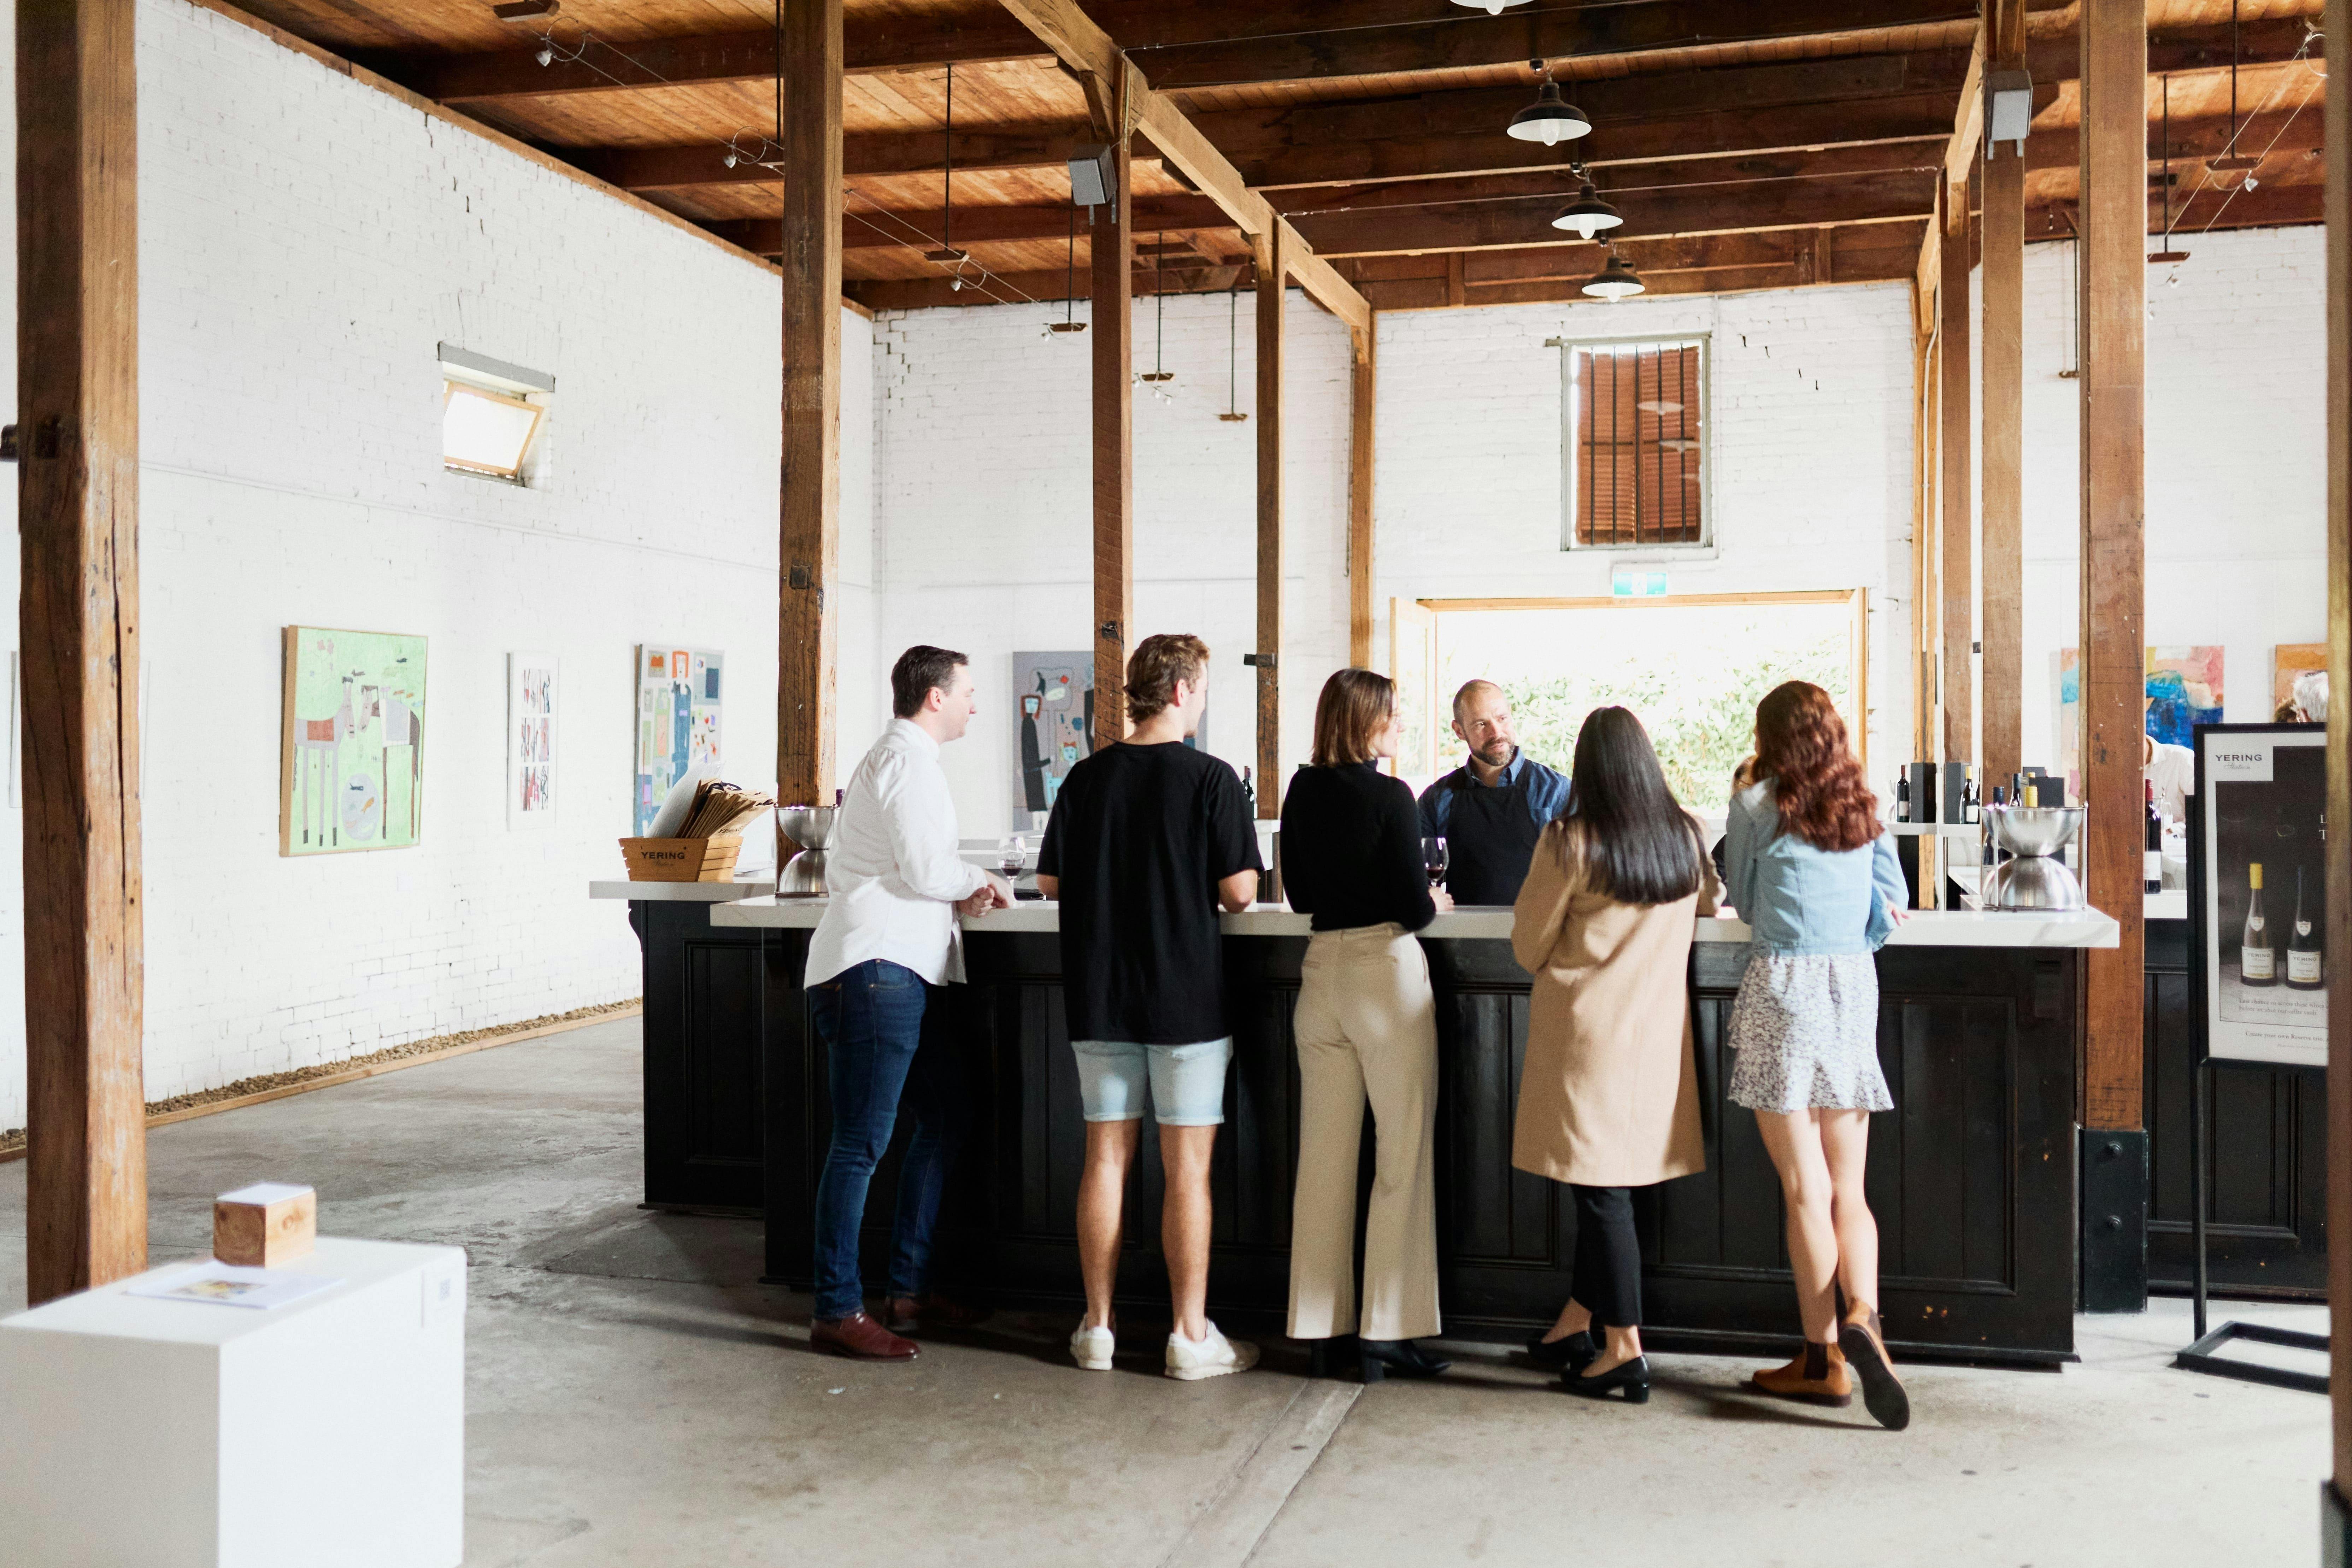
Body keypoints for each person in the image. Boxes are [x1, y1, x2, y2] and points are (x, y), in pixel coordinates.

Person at [1035, 633, 1263, 1380]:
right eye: (1200, 689)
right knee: (1186, 1172)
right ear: (1180, 692)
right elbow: (1239, 892)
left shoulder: (1085, 777)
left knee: (1104, 1157)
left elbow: (1050, 884)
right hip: (1185, 999)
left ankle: (1096, 1328)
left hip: (1100, 994)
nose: (1200, 701)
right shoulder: (1211, 778)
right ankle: (1188, 1336)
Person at [802, 646, 1014, 1360]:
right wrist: (978, 876)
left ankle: (909, 1290)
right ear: (934, 697)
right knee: (859, 1145)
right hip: (874, 974)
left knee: (946, 1114)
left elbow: (914, 870)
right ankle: (836, 1308)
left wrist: (963, 887)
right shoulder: (907, 763)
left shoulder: (903, 762)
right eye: (967, 693)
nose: (974, 705)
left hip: (891, 972)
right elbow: (927, 869)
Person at [1511, 707, 1720, 1404]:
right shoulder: (1685, 837)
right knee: (1610, 1182)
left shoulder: (1570, 839)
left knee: (1599, 1191)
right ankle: (1574, 1322)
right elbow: (1711, 907)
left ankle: (1625, 1346)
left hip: (1585, 1038)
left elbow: (1527, 944)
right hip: (1656, 1039)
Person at [1721, 681, 1911, 1431]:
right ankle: (1863, 1312)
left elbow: (1738, 896)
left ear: (1767, 736)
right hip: (1851, 989)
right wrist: (1854, 938)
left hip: (1781, 988)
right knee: (1848, 1190)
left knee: (1804, 1190)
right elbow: (1891, 897)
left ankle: (1822, 1359)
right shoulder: (1862, 803)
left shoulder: (1755, 806)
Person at [1279, 669, 1456, 1383]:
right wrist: (1433, 902)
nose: (1402, 727)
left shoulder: (1300, 790)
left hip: (1320, 974)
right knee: (1401, 1152)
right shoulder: (1392, 796)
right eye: (1393, 716)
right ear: (1366, 724)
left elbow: (1301, 897)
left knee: (1323, 1158)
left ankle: (1321, 1331)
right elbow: (1413, 908)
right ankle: (1388, 1329)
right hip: (1385, 973)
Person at [1416, 680, 1571, 906]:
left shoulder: (1556, 791)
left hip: (1537, 938)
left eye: (1502, 719)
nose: (1496, 732)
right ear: (1459, 730)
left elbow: (1584, 878)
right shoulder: (1436, 799)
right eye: (1481, 724)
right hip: (1460, 937)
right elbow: (1415, 876)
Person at [2144, 731, 2195, 823]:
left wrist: (2172, 831)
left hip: (2179, 837)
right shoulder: (2115, 771)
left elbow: (2203, 815)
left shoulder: (2182, 758)